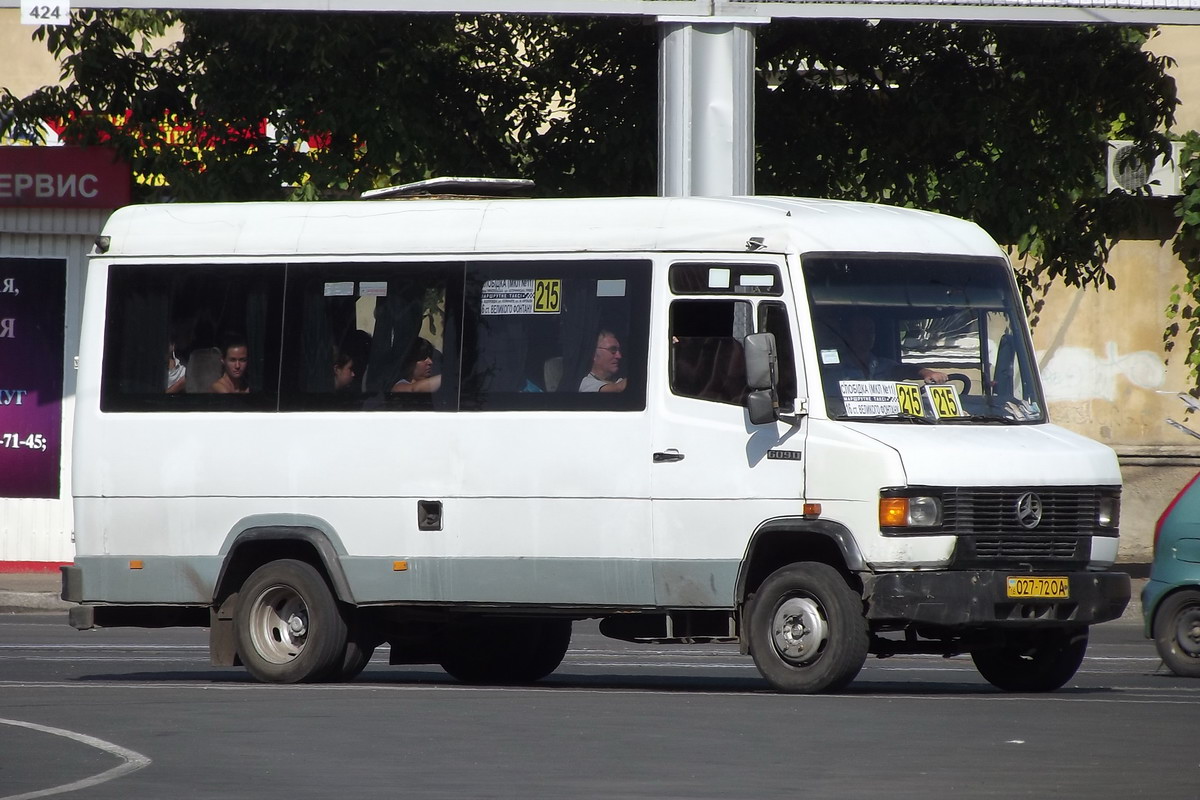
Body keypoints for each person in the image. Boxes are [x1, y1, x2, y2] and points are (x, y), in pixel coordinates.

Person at [824, 313, 947, 384]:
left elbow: (904, 370)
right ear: (847, 335)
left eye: (871, 331)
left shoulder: (881, 365)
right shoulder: (833, 368)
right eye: (861, 331)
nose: (868, 336)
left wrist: (928, 373)